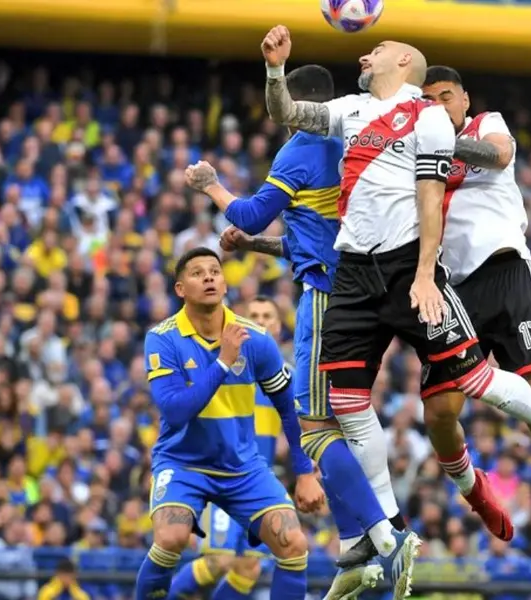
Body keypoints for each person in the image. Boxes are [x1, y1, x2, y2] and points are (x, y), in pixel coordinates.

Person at [259, 24, 531, 573]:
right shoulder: (351, 109)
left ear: (403, 65)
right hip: (357, 270)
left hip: (450, 267)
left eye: (379, 50)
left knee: (492, 385)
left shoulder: (437, 117)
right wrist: (276, 69)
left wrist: (422, 271)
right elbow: (288, 114)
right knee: (362, 404)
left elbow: (438, 187)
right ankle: (391, 526)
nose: (365, 53)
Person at [183, 64, 394, 598]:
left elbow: (253, 214)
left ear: (295, 102)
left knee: (314, 423)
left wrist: (211, 186)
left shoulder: (303, 146)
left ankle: (385, 531)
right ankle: (357, 540)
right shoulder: (355, 144)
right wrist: (256, 248)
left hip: (326, 294)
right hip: (367, 293)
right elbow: (311, 234)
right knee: (339, 421)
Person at [420, 65, 531, 561]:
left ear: (464, 99)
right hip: (451, 286)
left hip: (505, 270)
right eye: (427, 101)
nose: (437, 106)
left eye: (445, 97)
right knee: (440, 411)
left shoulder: (484, 124)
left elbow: (499, 155)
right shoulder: (413, 153)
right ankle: (474, 489)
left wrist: (439, 140)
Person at [134, 247, 324, 600]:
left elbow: (287, 407)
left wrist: (304, 472)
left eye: (214, 271)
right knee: (171, 539)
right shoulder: (162, 338)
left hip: (243, 468)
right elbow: (175, 411)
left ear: (224, 285)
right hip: (183, 463)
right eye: (197, 273)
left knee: (294, 544)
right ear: (180, 289)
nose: (208, 277)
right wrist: (223, 362)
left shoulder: (256, 340)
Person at [170, 296, 313, 600]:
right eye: (254, 315)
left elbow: (302, 426)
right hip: (220, 476)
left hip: (258, 483)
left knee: (249, 567)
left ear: (278, 327)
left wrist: (308, 470)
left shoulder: (288, 377)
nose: (260, 321)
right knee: (217, 560)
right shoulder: (221, 369)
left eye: (268, 315)